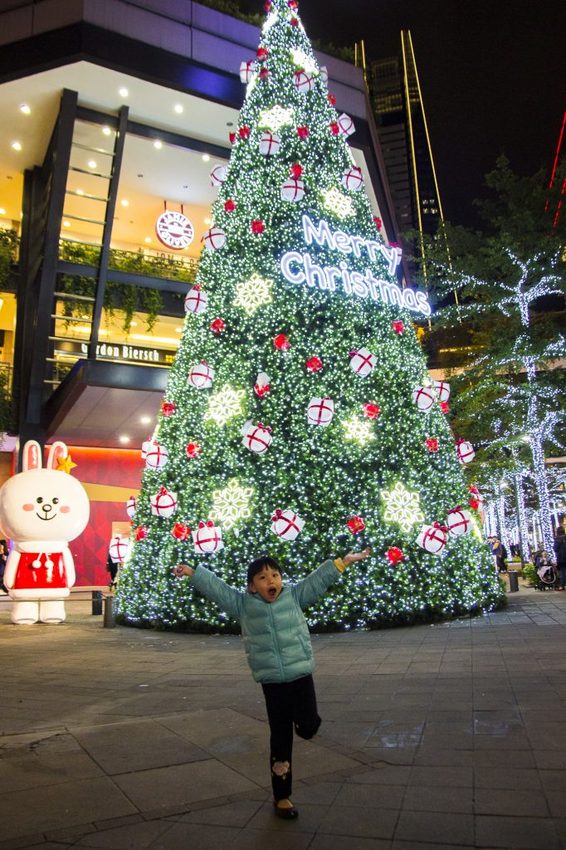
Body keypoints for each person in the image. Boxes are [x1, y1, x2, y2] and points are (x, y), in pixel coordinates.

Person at [174, 548, 371, 819]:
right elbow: (218, 589)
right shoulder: (243, 605)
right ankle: (282, 797)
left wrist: (343, 562)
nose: (272, 582)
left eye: (275, 575)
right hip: (272, 682)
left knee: (309, 725)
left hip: (301, 674)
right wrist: (193, 573)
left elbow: (316, 581)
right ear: (252, 586)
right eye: (263, 577)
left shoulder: (293, 596)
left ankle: (304, 724)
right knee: (280, 738)